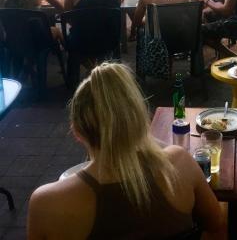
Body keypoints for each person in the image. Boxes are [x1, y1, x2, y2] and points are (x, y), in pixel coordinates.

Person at [27, 62, 225, 239]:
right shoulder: (181, 164)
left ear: (77, 132)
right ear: (143, 120)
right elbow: (216, 224)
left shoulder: (47, 205)